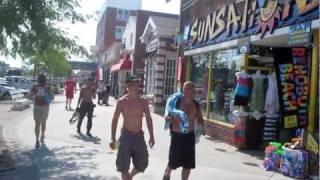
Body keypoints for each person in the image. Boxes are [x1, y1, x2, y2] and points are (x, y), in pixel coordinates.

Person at [110, 76, 155, 180]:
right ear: (128, 87)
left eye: (137, 85)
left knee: (142, 163)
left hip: (139, 136)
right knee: (123, 166)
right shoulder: (122, 101)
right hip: (125, 136)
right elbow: (115, 119)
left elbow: (149, 119)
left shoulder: (143, 102)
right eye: (134, 85)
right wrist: (113, 138)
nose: (136, 87)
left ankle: (129, 177)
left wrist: (152, 136)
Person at [163, 81, 204, 180]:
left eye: (189, 88)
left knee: (188, 165)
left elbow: (199, 118)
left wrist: (201, 127)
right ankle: (166, 175)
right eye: (185, 88)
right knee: (172, 164)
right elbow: (167, 116)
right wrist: (171, 119)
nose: (187, 91)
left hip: (189, 137)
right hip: (177, 136)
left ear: (193, 90)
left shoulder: (196, 105)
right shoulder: (176, 102)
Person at [30, 73, 54, 148]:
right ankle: (42, 135)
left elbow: (30, 96)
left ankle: (37, 140)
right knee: (44, 122)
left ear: (38, 79)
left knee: (37, 124)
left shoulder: (34, 87)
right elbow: (52, 97)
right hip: (45, 107)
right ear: (45, 79)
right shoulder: (47, 87)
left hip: (37, 106)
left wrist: (35, 97)